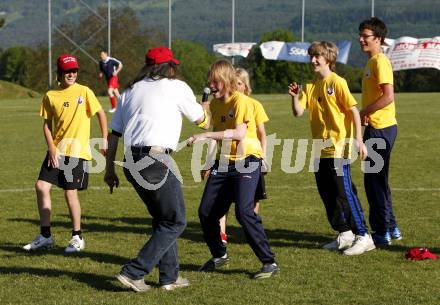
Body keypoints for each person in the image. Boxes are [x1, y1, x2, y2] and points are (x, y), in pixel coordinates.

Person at [104, 46, 209, 292]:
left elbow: (114, 134)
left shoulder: (130, 90)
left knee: (164, 219)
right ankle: (134, 272)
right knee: (176, 221)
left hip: (131, 162)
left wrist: (109, 169)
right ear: (168, 67)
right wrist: (206, 106)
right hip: (156, 160)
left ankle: (169, 277)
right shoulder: (177, 87)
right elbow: (202, 121)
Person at [188, 59, 278, 279]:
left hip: (247, 160)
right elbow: (211, 128)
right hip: (224, 163)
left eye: (215, 81)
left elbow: (238, 133)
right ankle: (219, 255)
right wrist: (209, 160)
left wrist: (205, 134)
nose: (211, 86)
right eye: (210, 81)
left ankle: (269, 262)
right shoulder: (217, 103)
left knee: (244, 212)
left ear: (227, 80)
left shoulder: (242, 101)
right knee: (206, 212)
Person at [288, 41, 375, 256]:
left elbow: (354, 111)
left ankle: (364, 235)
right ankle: (344, 232)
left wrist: (358, 139)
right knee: (327, 193)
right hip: (320, 148)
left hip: (338, 148)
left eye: (317, 56)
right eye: (311, 56)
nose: (313, 60)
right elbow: (299, 112)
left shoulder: (337, 82)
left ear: (329, 58)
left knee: (344, 192)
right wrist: (293, 97)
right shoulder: (310, 86)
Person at [23, 54, 108, 253]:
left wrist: (104, 138)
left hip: (77, 152)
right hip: (57, 151)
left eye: (74, 70)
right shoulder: (50, 95)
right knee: (41, 186)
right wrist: (51, 147)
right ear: (59, 73)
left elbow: (101, 114)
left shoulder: (84, 91)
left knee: (70, 192)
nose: (71, 74)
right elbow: (47, 124)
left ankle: (77, 237)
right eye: (67, 71)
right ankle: (45, 236)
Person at [358, 17, 401, 245]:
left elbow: (388, 96)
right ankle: (391, 227)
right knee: (379, 180)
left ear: (379, 39)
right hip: (378, 127)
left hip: (381, 128)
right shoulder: (371, 62)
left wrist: (364, 111)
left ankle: (381, 231)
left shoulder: (379, 62)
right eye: (361, 35)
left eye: (366, 36)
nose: (361, 39)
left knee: (373, 181)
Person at [214, 68, 269, 244]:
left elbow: (262, 133)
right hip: (227, 158)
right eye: (233, 83)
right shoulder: (226, 104)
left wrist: (264, 157)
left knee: (253, 197)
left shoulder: (253, 104)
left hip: (250, 156)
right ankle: (221, 233)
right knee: (222, 198)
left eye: (239, 83)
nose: (236, 86)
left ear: (246, 86)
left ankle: (250, 229)